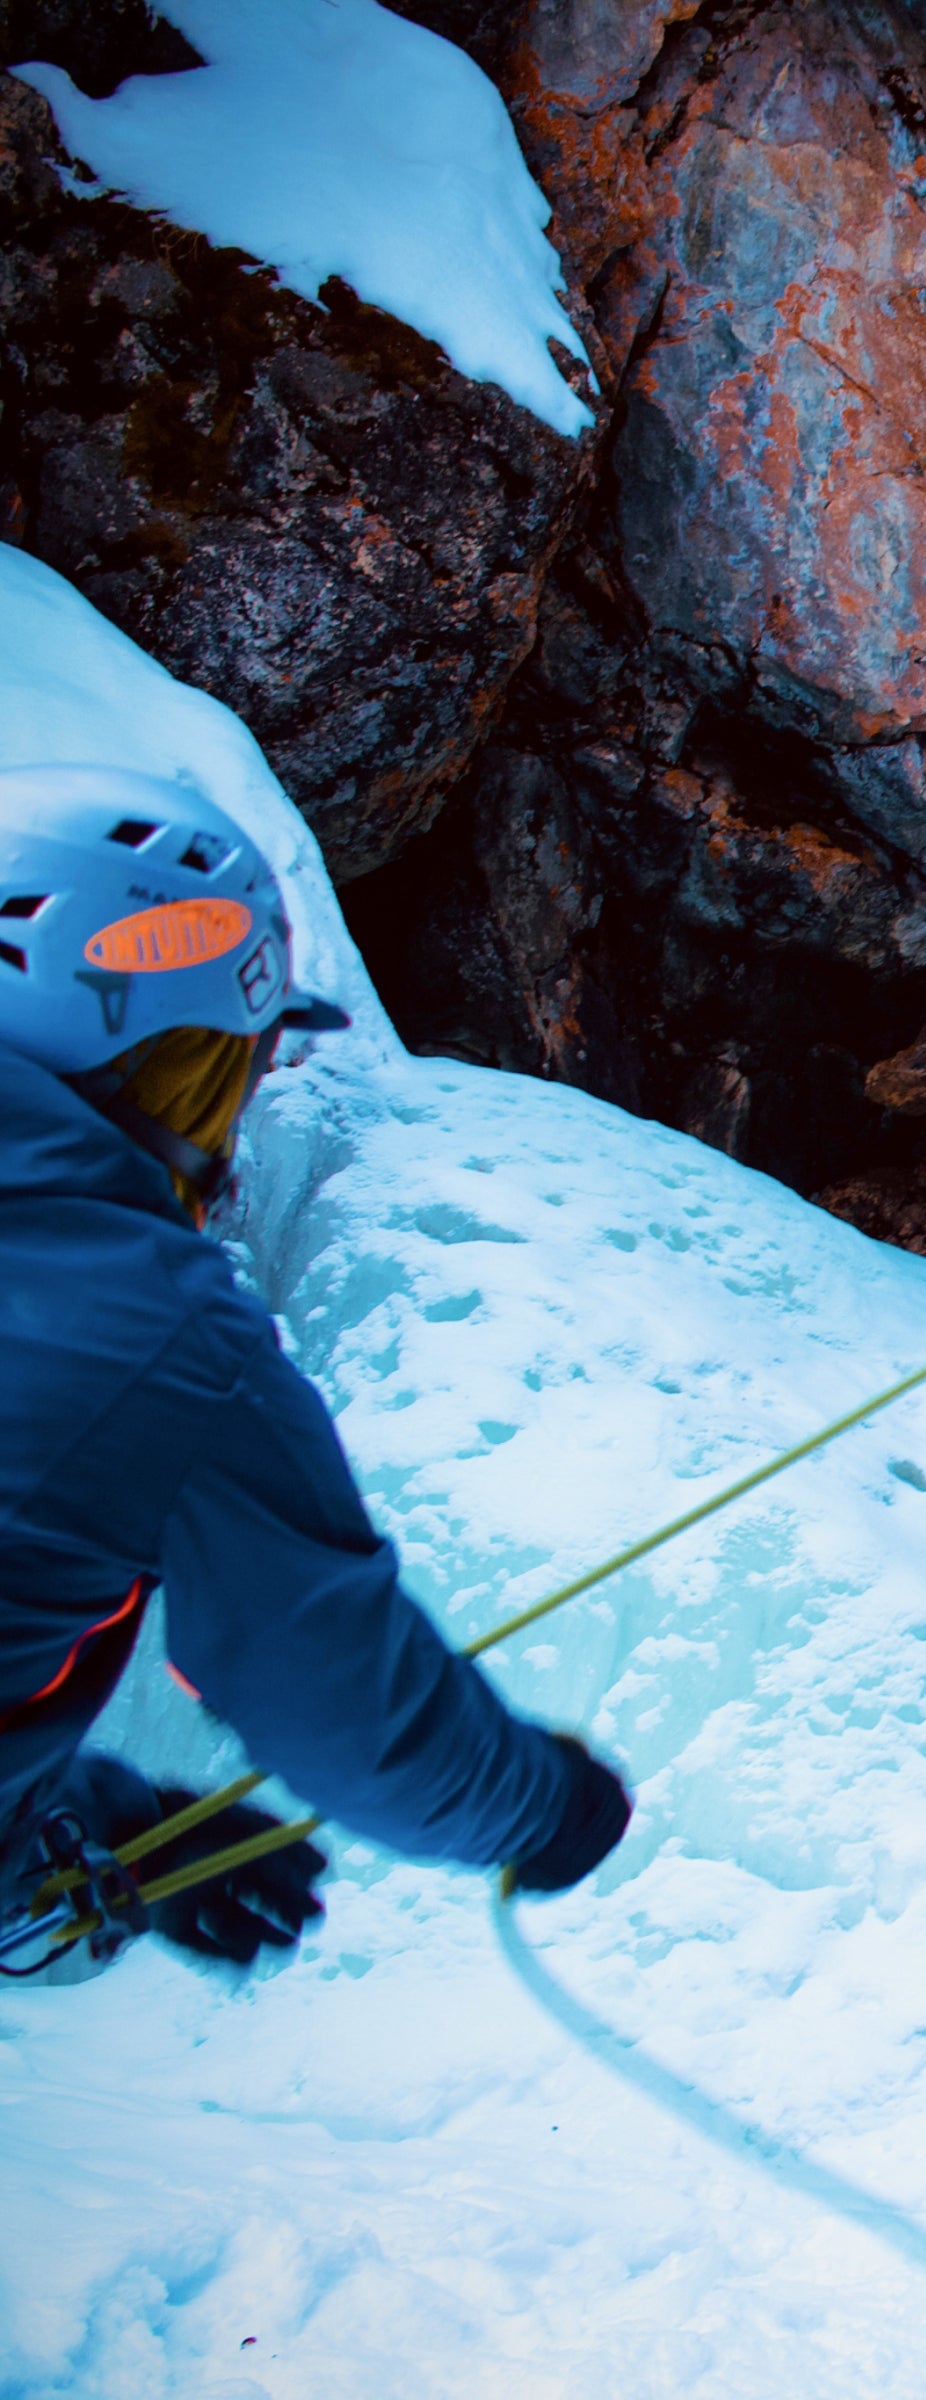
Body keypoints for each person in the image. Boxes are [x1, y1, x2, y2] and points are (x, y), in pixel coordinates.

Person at [0, 763, 631, 1980]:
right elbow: (341, 1705)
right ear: (152, 1055)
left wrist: (94, 1824)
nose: (234, 1132)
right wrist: (542, 1806)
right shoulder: (156, 1328)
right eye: (226, 1064)